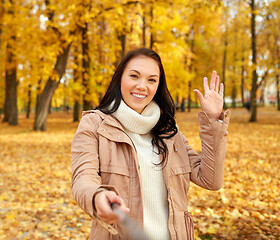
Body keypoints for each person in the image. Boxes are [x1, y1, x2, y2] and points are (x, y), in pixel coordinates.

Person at [71, 48, 231, 240]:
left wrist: (213, 121)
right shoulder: (95, 125)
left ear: (158, 87)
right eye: (134, 76)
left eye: (151, 80)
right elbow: (83, 178)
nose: (142, 86)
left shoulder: (169, 132)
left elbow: (211, 180)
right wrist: (96, 197)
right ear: (120, 78)